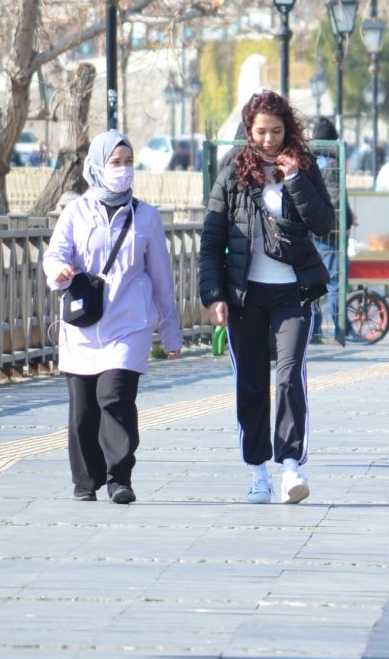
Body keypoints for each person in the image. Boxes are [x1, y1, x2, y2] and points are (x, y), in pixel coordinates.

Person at [201, 91, 335, 505]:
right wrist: (213, 295)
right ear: (249, 131)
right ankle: (257, 470)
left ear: (288, 130)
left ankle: (291, 466)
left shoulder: (305, 167)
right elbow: (212, 239)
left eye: (277, 131)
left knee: (290, 374)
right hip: (246, 297)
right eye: (261, 131)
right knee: (252, 381)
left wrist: (294, 178)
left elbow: (325, 223)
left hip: (293, 293)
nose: (269, 139)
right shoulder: (230, 173)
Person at [44, 131, 184, 503]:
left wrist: (170, 332)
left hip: (129, 324)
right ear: (97, 167)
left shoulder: (147, 217)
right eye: (115, 162)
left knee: (115, 398)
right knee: (83, 410)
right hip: (83, 327)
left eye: (128, 162)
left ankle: (119, 477)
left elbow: (161, 278)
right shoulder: (76, 212)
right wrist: (58, 270)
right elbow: (55, 253)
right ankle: (85, 481)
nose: (123, 170)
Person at [308, 117, 345, 344]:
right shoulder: (332, 164)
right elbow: (336, 200)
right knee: (334, 282)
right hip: (329, 233)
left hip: (309, 232)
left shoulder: (310, 161)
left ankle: (314, 328)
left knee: (311, 283)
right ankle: (340, 327)